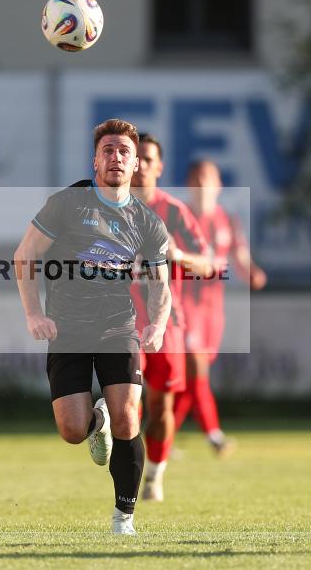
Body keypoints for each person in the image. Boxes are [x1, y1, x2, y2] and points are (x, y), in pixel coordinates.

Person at [14, 119, 172, 536]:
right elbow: (25, 255)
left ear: (137, 163)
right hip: (67, 327)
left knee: (127, 417)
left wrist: (156, 324)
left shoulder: (148, 223)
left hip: (118, 326)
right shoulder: (69, 203)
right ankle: (94, 425)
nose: (116, 157)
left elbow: (161, 285)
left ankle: (124, 518)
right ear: (95, 159)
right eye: (108, 150)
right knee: (71, 430)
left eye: (124, 151)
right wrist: (34, 313)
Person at [129, 133, 212, 502]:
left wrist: (179, 256)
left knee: (160, 405)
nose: (140, 165)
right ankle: (122, 463)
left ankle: (155, 475)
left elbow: (208, 265)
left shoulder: (175, 212)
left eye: (148, 159)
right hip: (119, 319)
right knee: (127, 397)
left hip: (166, 321)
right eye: (136, 158)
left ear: (159, 166)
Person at [174, 159, 266, 457]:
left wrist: (251, 271)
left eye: (208, 179)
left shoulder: (226, 219)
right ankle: (214, 435)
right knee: (196, 368)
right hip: (184, 304)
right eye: (197, 179)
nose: (202, 185)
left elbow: (239, 252)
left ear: (219, 185)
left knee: (193, 378)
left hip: (213, 309)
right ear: (189, 183)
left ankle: (161, 435)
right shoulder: (181, 218)